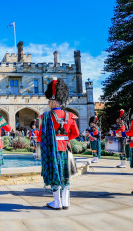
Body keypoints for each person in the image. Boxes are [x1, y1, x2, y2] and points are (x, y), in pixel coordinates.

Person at [37, 78, 80, 210]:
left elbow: (40, 137)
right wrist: (65, 139)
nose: (49, 103)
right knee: (66, 175)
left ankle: (57, 202)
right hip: (66, 149)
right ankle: (66, 202)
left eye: (50, 101)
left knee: (54, 174)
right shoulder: (70, 116)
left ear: (54, 101)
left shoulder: (45, 116)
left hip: (52, 150)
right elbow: (76, 133)